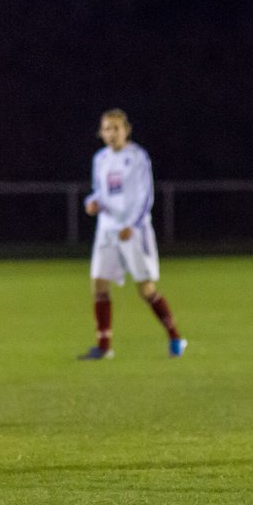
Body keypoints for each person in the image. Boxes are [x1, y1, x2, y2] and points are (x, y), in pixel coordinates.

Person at [78, 108, 186, 360]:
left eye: (116, 128)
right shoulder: (100, 159)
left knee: (146, 289)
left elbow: (145, 195)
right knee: (99, 284)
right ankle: (104, 347)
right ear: (101, 133)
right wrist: (92, 202)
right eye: (107, 129)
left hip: (133, 230)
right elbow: (99, 191)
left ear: (126, 130)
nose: (111, 133)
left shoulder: (137, 157)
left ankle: (175, 337)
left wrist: (133, 224)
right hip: (107, 229)